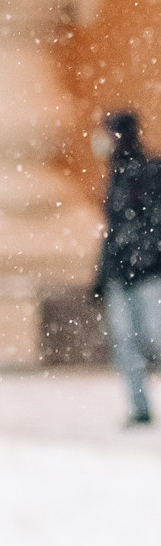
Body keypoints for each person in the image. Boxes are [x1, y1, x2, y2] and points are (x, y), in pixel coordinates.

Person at [90, 109, 161, 425]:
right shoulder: (116, 173)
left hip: (148, 274)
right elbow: (112, 231)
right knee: (126, 343)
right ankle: (140, 409)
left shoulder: (150, 170)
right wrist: (101, 275)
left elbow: (152, 224)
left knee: (155, 338)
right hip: (122, 275)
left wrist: (144, 257)